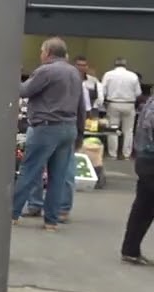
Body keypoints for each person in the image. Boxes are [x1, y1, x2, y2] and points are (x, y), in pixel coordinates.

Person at [12, 37, 87, 230]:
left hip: (46, 127)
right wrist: (80, 132)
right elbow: (81, 106)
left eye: (41, 51)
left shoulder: (46, 71)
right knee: (58, 176)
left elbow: (24, 91)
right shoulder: (75, 73)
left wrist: (14, 75)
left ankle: (13, 213)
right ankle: (51, 221)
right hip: (69, 127)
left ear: (48, 52)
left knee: (30, 170)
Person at [122, 98, 154, 265]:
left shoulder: (150, 102)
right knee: (144, 208)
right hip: (151, 159)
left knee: (143, 208)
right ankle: (130, 250)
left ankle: (130, 250)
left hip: (145, 159)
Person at [102, 57, 141, 160]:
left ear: (115, 64)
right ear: (125, 65)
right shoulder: (133, 76)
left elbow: (103, 91)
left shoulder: (108, 74)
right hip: (129, 104)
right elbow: (138, 93)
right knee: (128, 131)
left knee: (112, 129)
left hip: (113, 103)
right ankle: (126, 154)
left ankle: (113, 154)